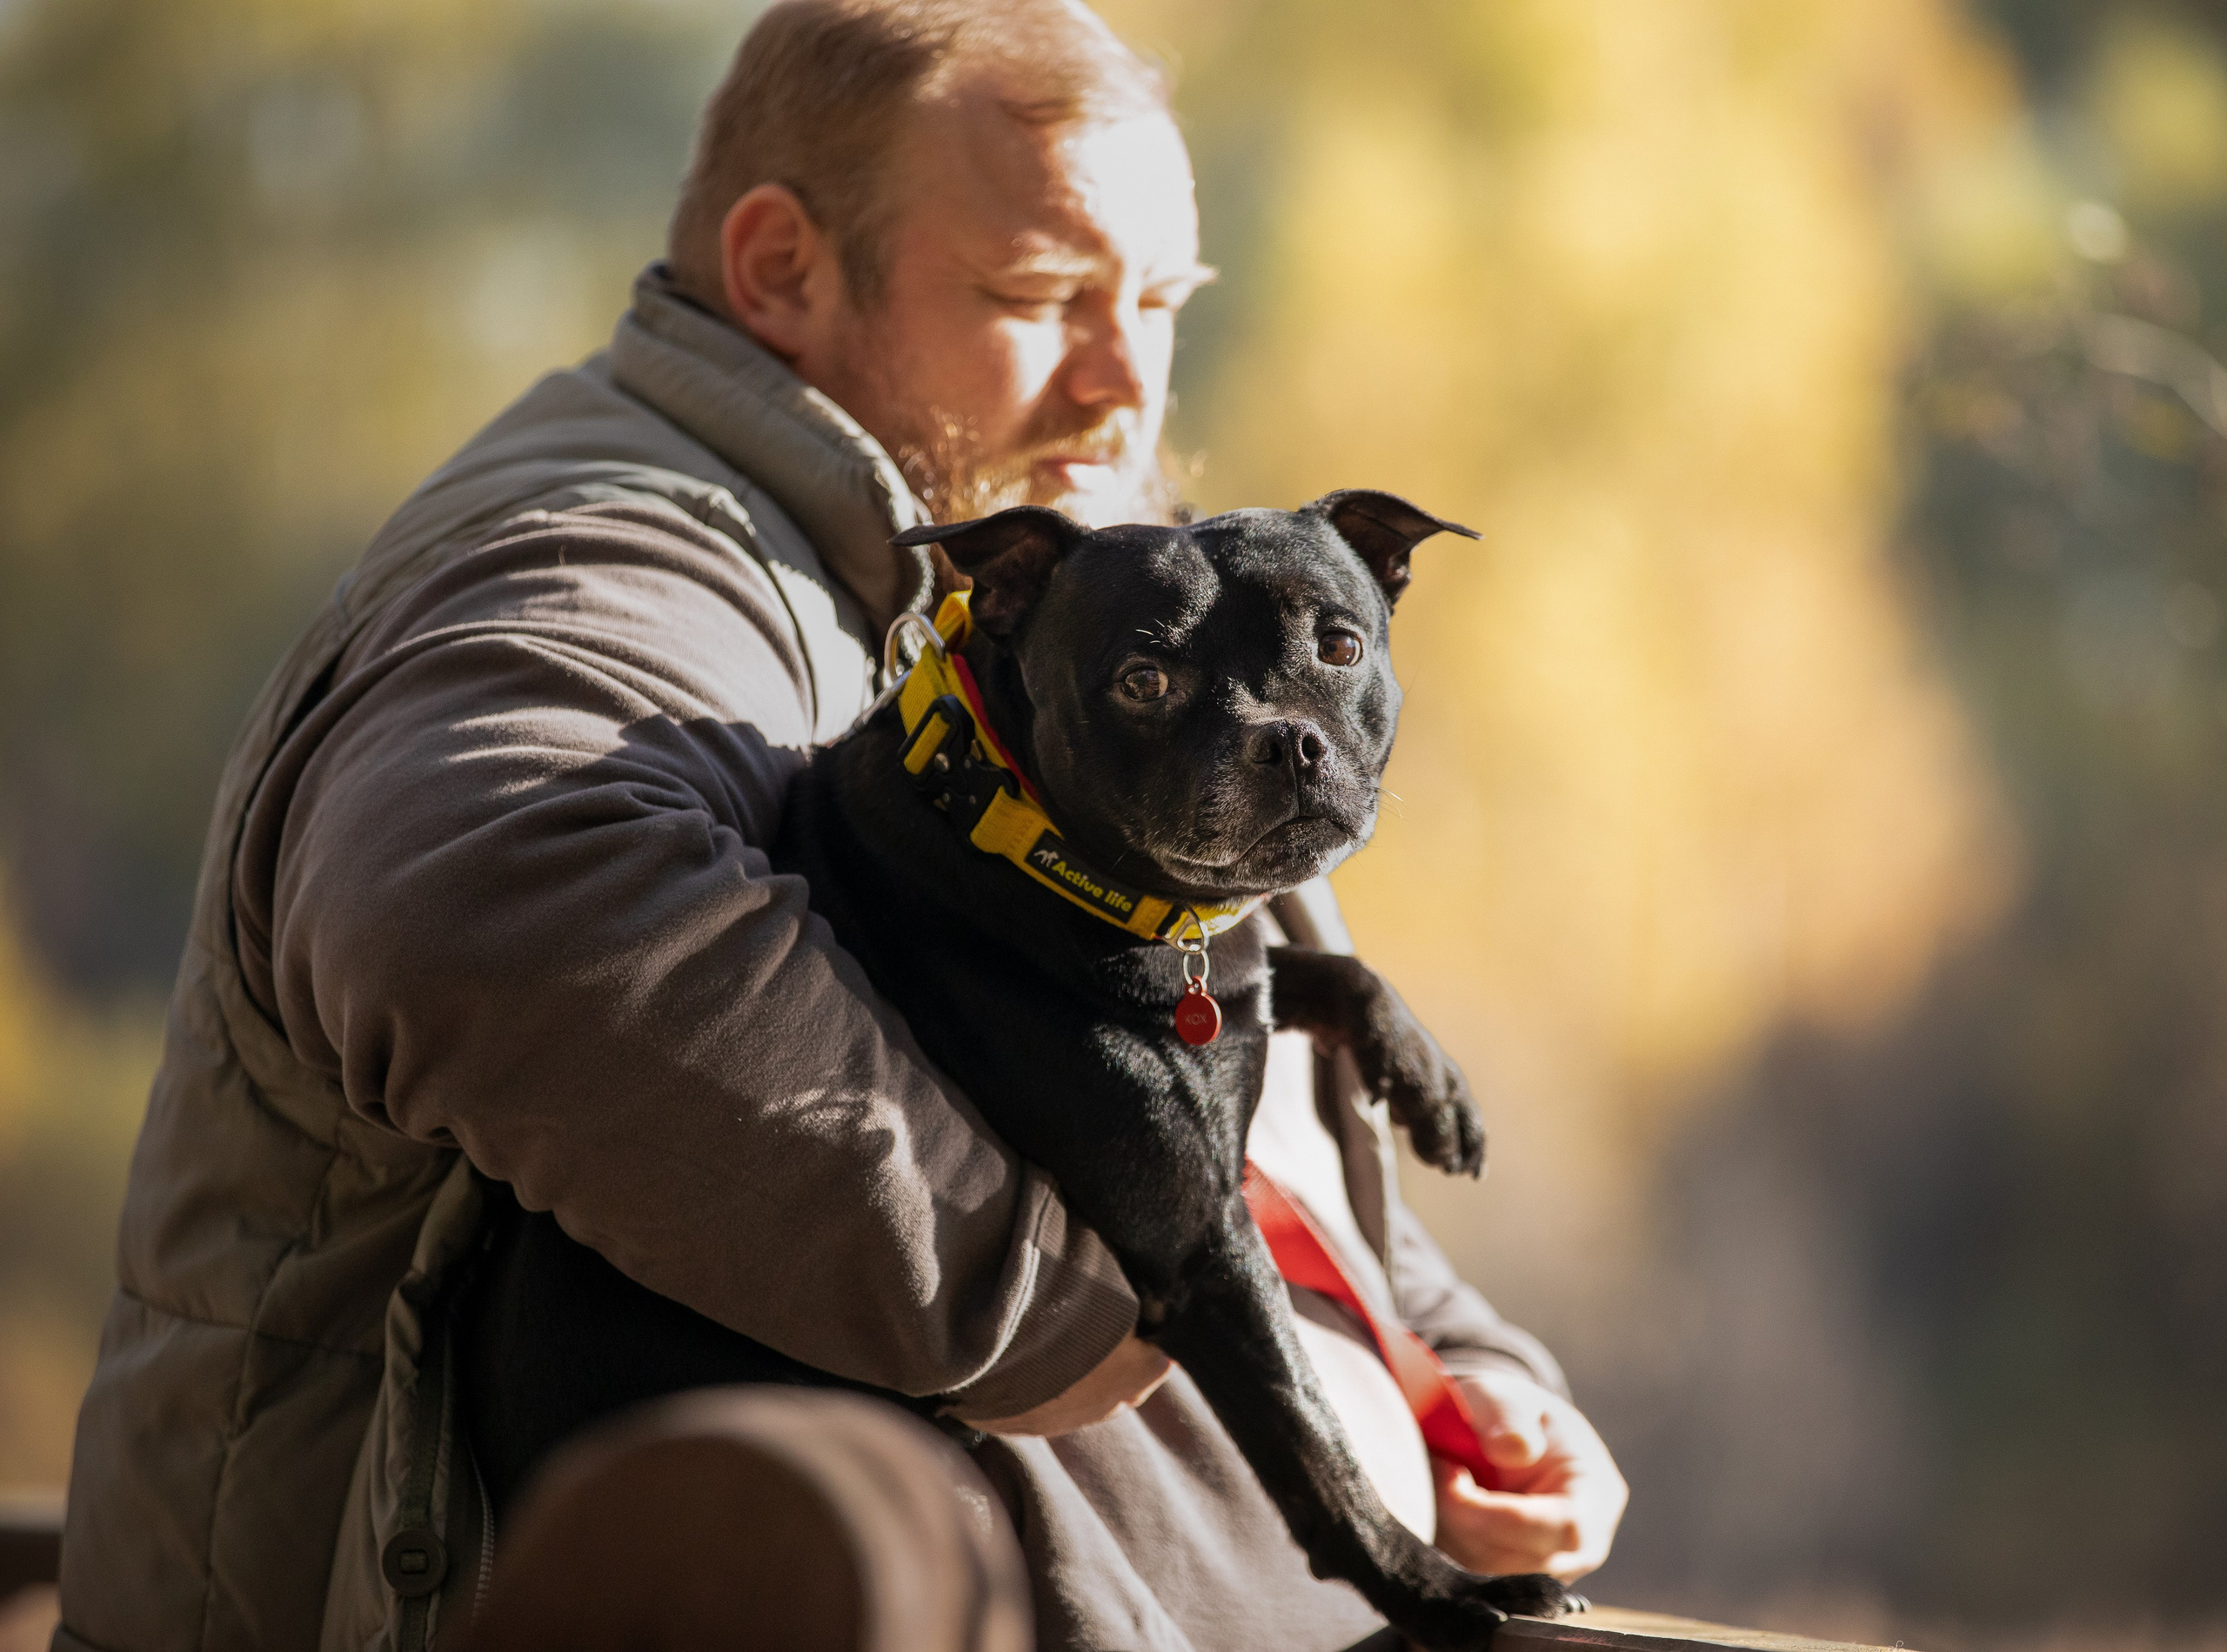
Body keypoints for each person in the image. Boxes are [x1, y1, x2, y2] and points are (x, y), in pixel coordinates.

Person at [53, 3, 1626, 1649]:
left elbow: (1221, 1082)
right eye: (1041, 297)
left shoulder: (1105, 589)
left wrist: (1455, 1382)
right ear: (785, 270)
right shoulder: (624, 558)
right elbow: (465, 895)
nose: (1127, 378)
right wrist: (1073, 1299)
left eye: (1162, 302)